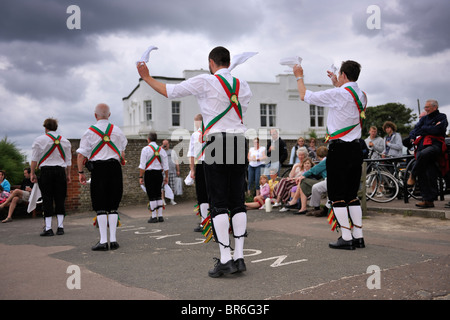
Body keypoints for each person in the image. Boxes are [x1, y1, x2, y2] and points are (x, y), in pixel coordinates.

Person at [137, 46, 252, 277]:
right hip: (239, 140)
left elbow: (170, 91)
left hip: (216, 141)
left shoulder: (205, 81)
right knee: (237, 201)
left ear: (211, 62)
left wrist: (146, 77)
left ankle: (226, 259)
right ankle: (239, 257)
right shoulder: (244, 85)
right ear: (228, 62)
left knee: (218, 202)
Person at [294, 60, 367, 250]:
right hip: (356, 148)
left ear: (342, 75)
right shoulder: (362, 95)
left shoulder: (339, 94)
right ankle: (358, 236)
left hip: (339, 149)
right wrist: (338, 84)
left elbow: (304, 96)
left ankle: (346, 237)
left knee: (337, 195)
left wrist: (299, 76)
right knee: (352, 194)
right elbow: (347, 98)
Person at [77, 103, 127, 251]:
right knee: (113, 205)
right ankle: (114, 240)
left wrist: (80, 173)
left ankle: (103, 241)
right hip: (115, 168)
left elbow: (81, 155)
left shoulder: (89, 132)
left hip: (98, 169)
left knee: (100, 205)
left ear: (95, 115)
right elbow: (122, 153)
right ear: (109, 115)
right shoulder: (117, 131)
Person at [30, 118, 72, 236]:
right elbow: (68, 161)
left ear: (45, 128)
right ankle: (60, 227)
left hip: (46, 172)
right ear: (56, 127)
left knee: (47, 199)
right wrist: (68, 174)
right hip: (60, 171)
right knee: (60, 198)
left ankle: (48, 228)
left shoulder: (39, 140)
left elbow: (34, 159)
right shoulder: (65, 141)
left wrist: (32, 173)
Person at [408, 99, 448, 208]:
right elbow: (416, 130)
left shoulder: (442, 117)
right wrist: (430, 127)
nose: (425, 109)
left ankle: (413, 174)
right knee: (426, 171)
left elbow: (438, 130)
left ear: (434, 107)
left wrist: (424, 129)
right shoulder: (424, 118)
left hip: (435, 145)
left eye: (427, 107)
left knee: (423, 154)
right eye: (425, 107)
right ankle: (428, 200)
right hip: (423, 146)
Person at [139, 131, 169, 223]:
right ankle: (160, 216)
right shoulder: (162, 150)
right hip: (159, 174)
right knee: (158, 194)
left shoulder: (145, 149)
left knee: (151, 195)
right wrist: (166, 177)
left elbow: (142, 166)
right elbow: (166, 166)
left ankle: (153, 216)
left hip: (149, 174)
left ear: (148, 139)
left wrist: (140, 177)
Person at [187, 114, 209, 232]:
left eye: (195, 121)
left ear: (198, 122)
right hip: (213, 164)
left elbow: (191, 154)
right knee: (213, 192)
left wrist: (192, 170)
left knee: (202, 194)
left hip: (200, 164)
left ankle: (204, 222)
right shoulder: (211, 133)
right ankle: (215, 220)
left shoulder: (195, 135)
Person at [290, 146, 328, 214]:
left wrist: (302, 176)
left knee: (305, 182)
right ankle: (304, 207)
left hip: (327, 181)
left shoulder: (325, 161)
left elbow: (314, 170)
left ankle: (299, 203)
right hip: (325, 180)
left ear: (318, 155)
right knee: (309, 185)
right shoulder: (326, 160)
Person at [161, 139, 180, 205]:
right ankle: (163, 200)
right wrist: (161, 148)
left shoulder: (173, 152)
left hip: (172, 171)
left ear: (169, 144)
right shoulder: (160, 151)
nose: (165, 145)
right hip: (163, 172)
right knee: (163, 187)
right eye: (164, 144)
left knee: (172, 186)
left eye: (166, 144)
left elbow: (176, 161)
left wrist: (178, 170)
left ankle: (172, 199)